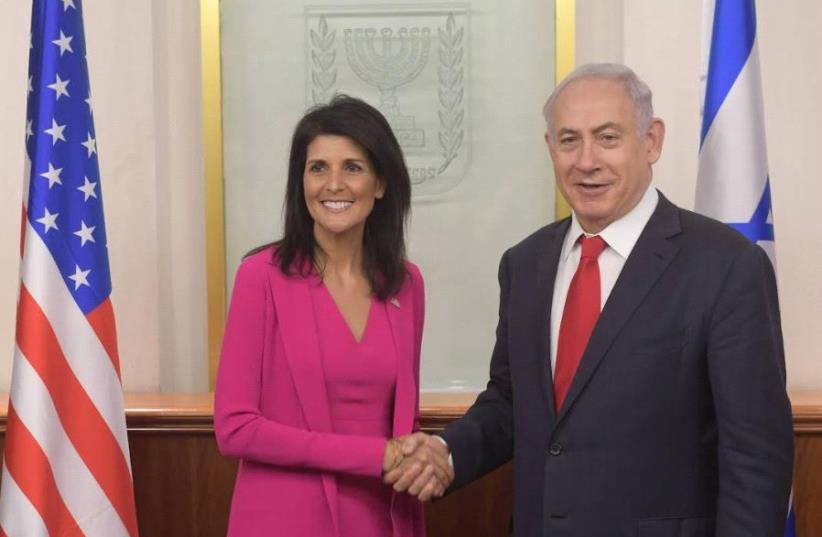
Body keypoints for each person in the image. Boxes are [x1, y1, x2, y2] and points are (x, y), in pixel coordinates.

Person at [386, 63, 794, 536]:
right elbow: (510, 402)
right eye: (569, 140)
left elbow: (757, 457)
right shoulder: (525, 264)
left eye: (607, 137)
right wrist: (447, 453)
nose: (586, 161)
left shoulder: (725, 266)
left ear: (651, 140)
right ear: (549, 148)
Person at [214, 95, 450, 537]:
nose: (333, 184)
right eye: (318, 168)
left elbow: (402, 422)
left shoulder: (406, 284)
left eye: (353, 167)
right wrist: (376, 456)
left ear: (381, 183)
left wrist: (426, 458)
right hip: (286, 521)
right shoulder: (260, 277)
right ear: (300, 182)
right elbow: (235, 428)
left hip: (384, 519)